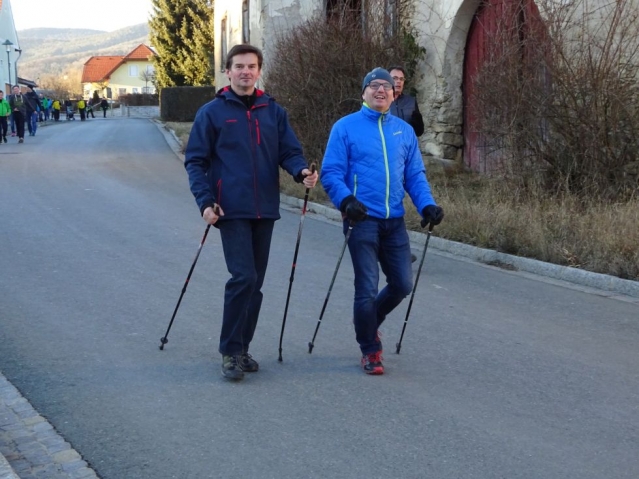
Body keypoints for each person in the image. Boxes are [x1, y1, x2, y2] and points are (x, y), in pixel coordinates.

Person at [184, 43, 318, 381]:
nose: (246, 72)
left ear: (259, 71)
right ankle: (230, 351)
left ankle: (242, 349)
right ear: (228, 71)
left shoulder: (273, 111)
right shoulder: (212, 113)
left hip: (265, 209)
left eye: (252, 66)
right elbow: (195, 162)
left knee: (255, 283)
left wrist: (301, 171)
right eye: (239, 66)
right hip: (229, 208)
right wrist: (205, 202)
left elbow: (289, 152)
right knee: (243, 277)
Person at [321, 67, 444, 375]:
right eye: (374, 85)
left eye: (386, 86)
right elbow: (331, 173)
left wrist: (427, 205)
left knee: (402, 284)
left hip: (394, 221)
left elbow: (415, 175)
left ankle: (367, 321)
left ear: (394, 93)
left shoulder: (404, 131)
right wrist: (346, 201)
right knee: (366, 287)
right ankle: (370, 349)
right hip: (361, 219)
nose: (380, 90)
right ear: (363, 92)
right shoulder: (345, 128)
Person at [388, 65, 424, 137]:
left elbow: (419, 132)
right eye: (395, 78)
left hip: (407, 143)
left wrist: (418, 122)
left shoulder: (411, 101)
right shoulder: (381, 102)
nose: (398, 81)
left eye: (401, 79)